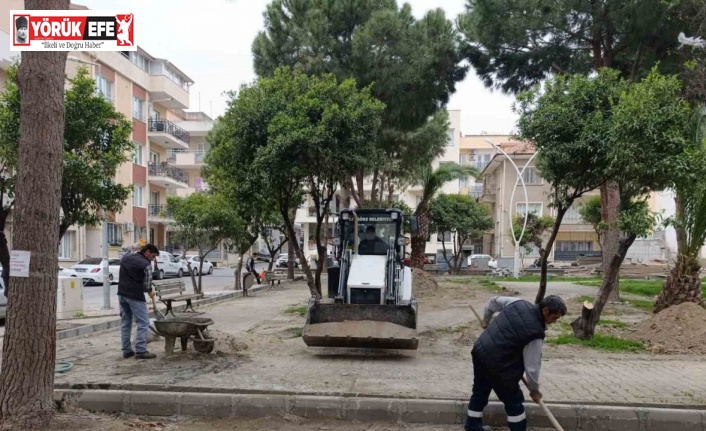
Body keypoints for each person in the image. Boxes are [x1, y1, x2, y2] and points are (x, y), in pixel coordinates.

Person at [465, 295, 567, 431]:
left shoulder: (518, 303)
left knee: (480, 392)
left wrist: (486, 320)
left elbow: (493, 301)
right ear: (546, 310)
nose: (553, 322)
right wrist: (534, 390)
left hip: (481, 351)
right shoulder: (535, 333)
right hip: (499, 364)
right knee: (514, 401)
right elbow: (532, 367)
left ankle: (472, 427)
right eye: (554, 318)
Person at [117, 244, 160, 360]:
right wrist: (150, 291)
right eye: (153, 256)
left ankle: (126, 351)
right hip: (135, 296)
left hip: (121, 294)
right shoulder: (146, 265)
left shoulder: (126, 257)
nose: (153, 259)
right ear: (147, 252)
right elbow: (147, 286)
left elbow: (123, 254)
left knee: (126, 322)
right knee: (143, 322)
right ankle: (141, 350)